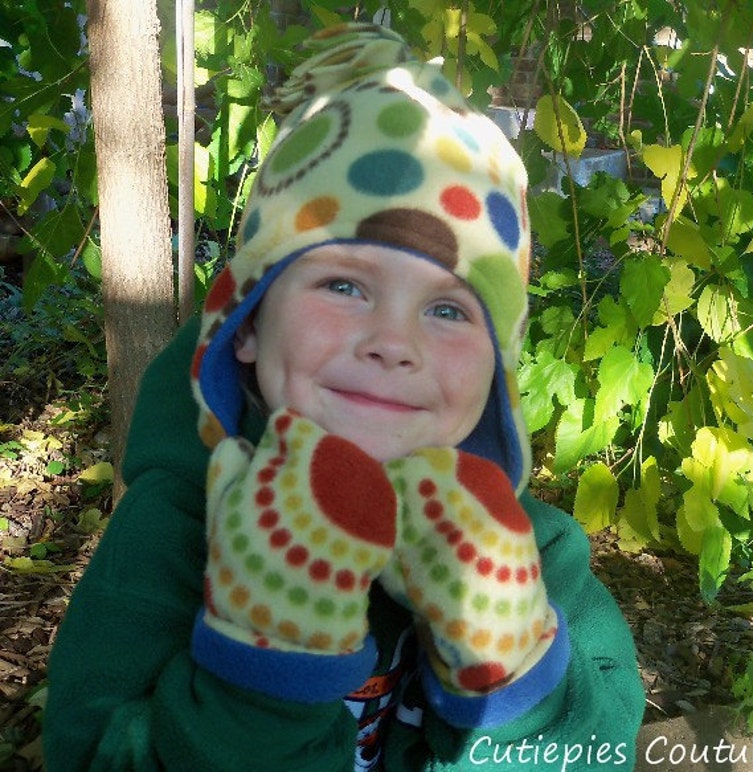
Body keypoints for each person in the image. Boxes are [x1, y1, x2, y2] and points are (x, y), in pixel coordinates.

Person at [43, 23, 645, 771]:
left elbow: (599, 749)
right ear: (247, 323)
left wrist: (519, 678)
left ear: (497, 369)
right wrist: (260, 677)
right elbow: (86, 750)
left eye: (450, 309)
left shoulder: (534, 554)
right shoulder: (175, 531)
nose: (395, 342)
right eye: (344, 284)